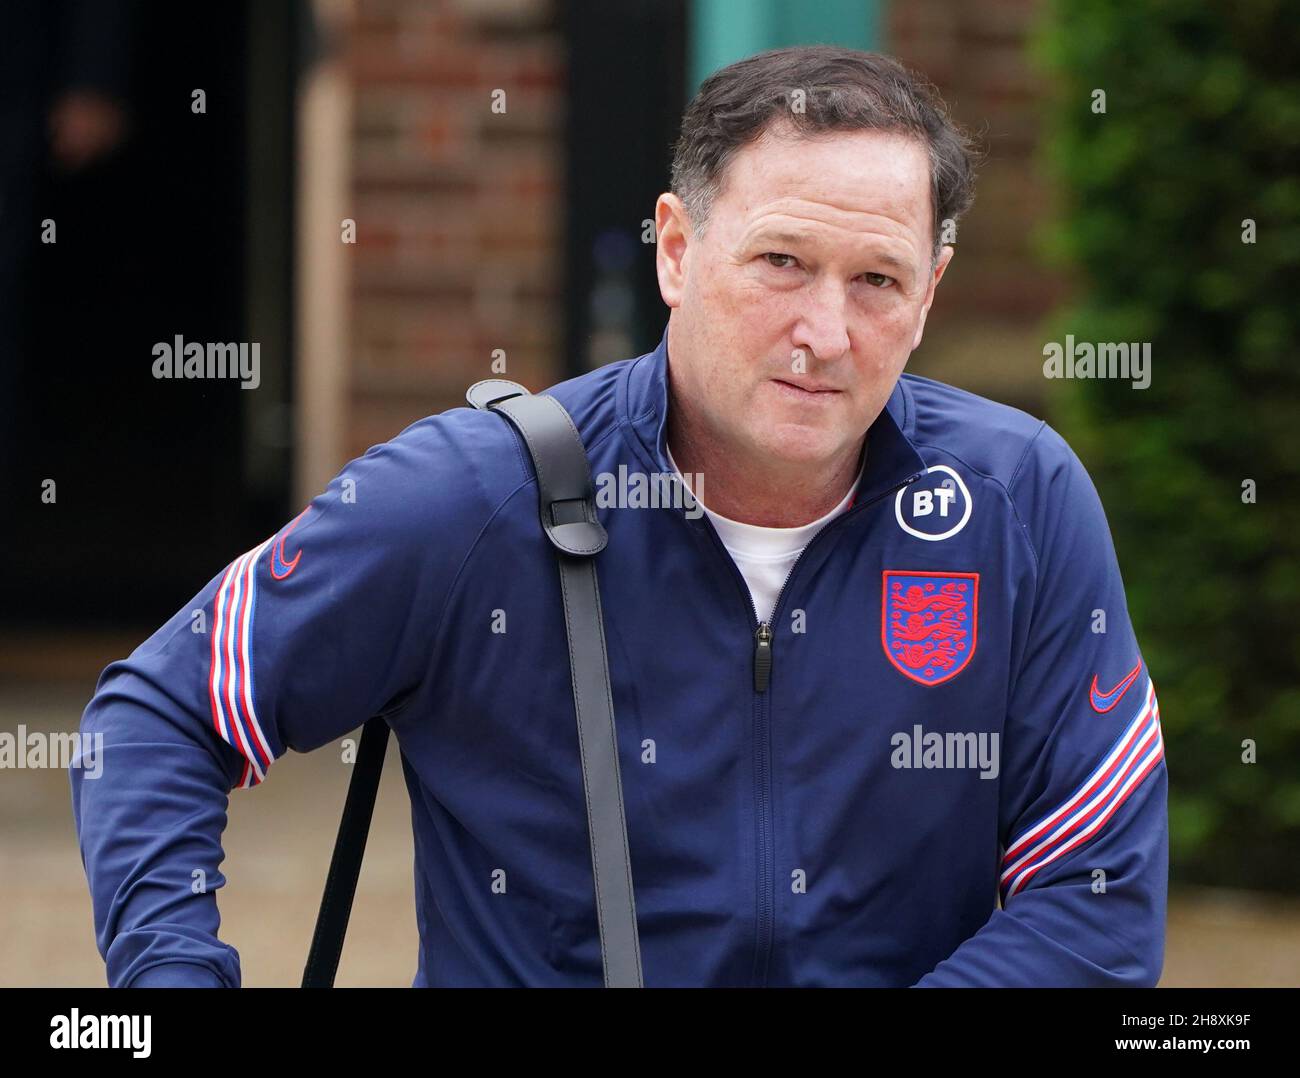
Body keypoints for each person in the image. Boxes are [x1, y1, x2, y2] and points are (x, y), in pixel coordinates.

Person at [70, 45, 1167, 988]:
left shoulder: (1015, 500)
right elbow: (161, 713)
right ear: (677, 249)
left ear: (930, 290)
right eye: (781, 261)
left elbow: (1098, 894)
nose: (824, 331)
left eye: (876, 279)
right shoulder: (474, 498)